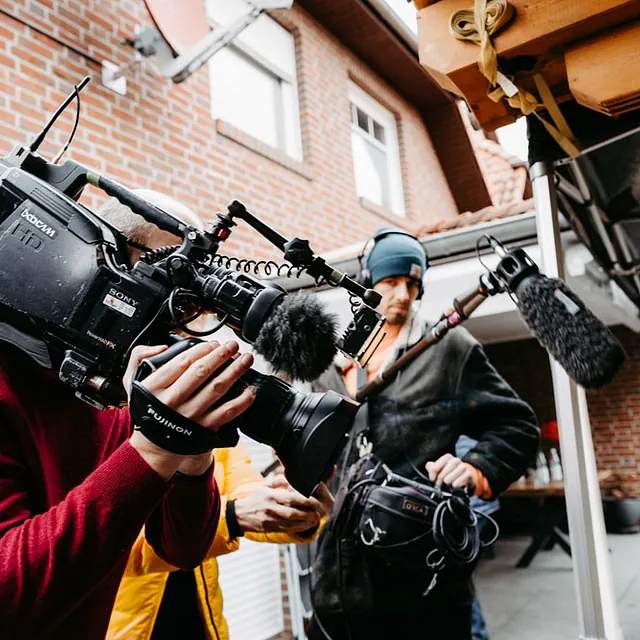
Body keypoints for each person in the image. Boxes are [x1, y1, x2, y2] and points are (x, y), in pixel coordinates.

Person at [0, 191, 257, 639]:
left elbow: (181, 547)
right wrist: (150, 450)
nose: (175, 320)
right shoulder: (8, 378)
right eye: (163, 284)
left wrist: (193, 456)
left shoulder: (116, 392)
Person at [99, 191, 333, 640]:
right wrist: (232, 518)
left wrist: (290, 509)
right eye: (166, 273)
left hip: (203, 624)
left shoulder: (181, 378)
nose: (183, 312)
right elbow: (85, 540)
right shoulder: (79, 394)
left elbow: (239, 490)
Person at [307, 228, 540, 640]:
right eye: (391, 281)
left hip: (422, 563)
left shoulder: (449, 348)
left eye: (412, 283)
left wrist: (474, 467)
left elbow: (517, 426)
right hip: (342, 569)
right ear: (367, 283)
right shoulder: (333, 359)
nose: (402, 293)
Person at [455, 434, 501, 640]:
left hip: (471, 508)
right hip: (478, 506)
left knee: (456, 577)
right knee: (461, 576)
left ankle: (477, 635)